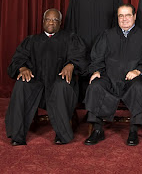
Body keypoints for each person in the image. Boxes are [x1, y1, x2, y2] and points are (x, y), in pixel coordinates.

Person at [5, 9, 87, 145]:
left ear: (60, 23)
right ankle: (17, 135)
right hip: (36, 84)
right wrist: (22, 68)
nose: (51, 22)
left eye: (55, 20)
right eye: (48, 19)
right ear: (43, 21)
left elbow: (81, 59)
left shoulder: (70, 38)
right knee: (22, 84)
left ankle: (62, 134)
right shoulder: (32, 40)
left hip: (59, 83)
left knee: (62, 85)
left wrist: (71, 64)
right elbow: (16, 60)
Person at [84, 4, 142, 146]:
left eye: (128, 15)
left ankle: (133, 130)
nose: (124, 19)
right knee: (95, 86)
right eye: (121, 16)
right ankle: (97, 129)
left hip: (133, 79)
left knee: (138, 87)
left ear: (134, 16)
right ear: (117, 18)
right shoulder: (107, 35)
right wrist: (96, 71)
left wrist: (138, 70)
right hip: (109, 77)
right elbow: (97, 57)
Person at [65, 0, 123, 102]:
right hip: (82, 43)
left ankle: (103, 102)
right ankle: (84, 104)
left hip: (106, 45)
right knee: (83, 69)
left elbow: (119, 22)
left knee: (102, 72)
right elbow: (71, 24)